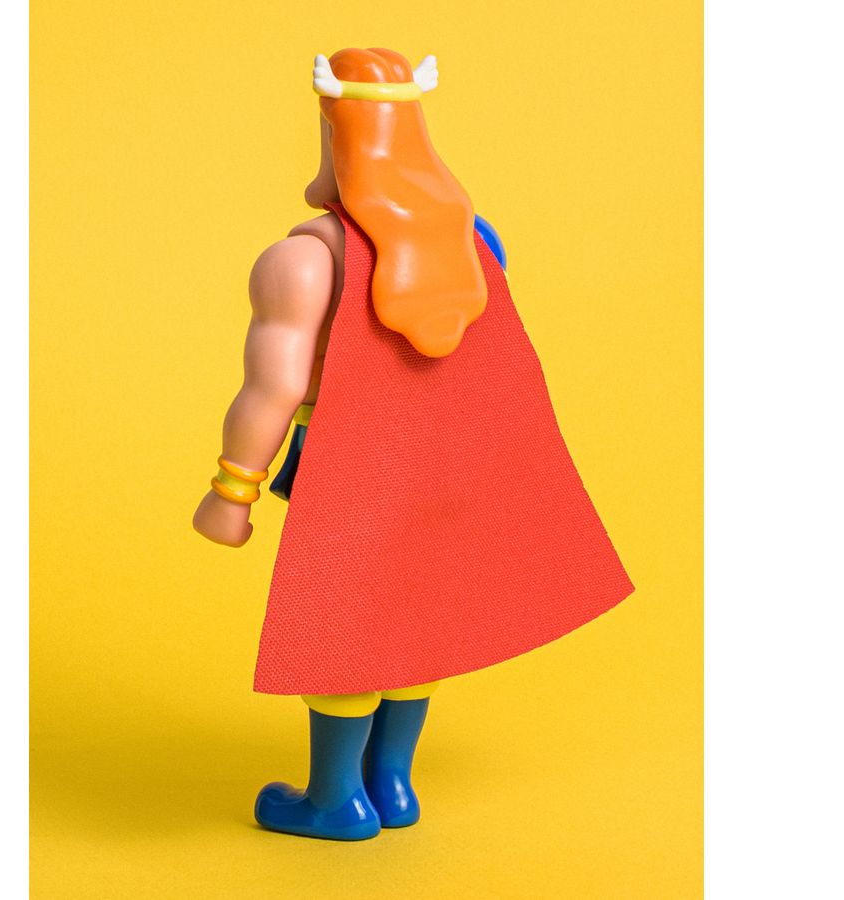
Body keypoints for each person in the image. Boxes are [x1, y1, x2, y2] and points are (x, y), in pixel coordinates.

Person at [193, 47, 633, 841]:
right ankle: (391, 786)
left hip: (354, 466)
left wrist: (232, 491)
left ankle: (336, 801)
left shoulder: (304, 262)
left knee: (342, 628)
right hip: (446, 462)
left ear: (334, 137)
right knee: (411, 615)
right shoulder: (476, 242)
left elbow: (273, 388)